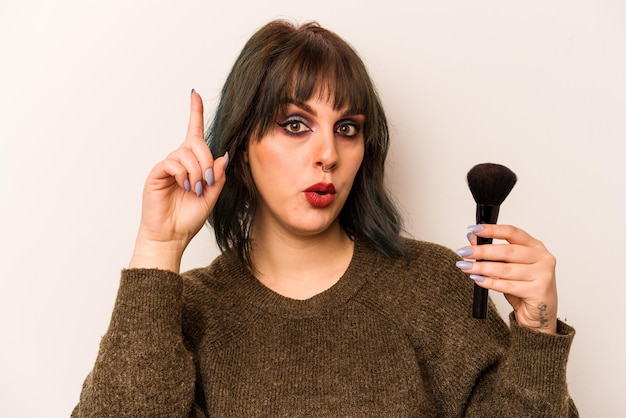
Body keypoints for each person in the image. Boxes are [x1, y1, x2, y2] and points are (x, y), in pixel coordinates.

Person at [72, 19, 577, 417]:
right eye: (296, 124)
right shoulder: (187, 312)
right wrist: (158, 247)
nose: (328, 154)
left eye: (348, 128)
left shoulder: (436, 287)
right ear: (242, 146)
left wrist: (537, 329)